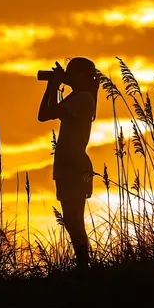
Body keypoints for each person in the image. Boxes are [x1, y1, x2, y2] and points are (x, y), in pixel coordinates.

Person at [38, 57, 99, 269]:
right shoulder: (77, 96)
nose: (67, 74)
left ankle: (85, 267)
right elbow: (43, 115)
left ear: (81, 75)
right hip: (67, 166)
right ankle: (83, 266)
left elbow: (49, 112)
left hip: (74, 166)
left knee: (75, 222)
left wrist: (55, 85)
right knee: (72, 222)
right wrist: (51, 86)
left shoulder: (83, 98)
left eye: (71, 71)